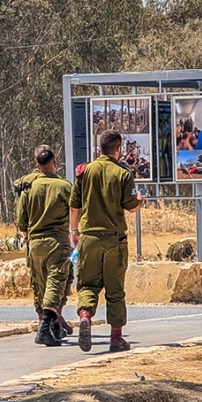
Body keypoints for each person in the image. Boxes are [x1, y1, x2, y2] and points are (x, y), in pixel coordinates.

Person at [70, 130, 144, 353]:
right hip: (114, 240)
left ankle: (85, 316)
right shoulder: (123, 173)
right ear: (119, 149)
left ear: (99, 148)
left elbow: (75, 205)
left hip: (89, 238)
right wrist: (141, 200)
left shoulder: (85, 171)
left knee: (88, 284)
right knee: (115, 289)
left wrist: (74, 230)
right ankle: (116, 337)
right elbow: (131, 206)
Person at [14, 145, 74, 337]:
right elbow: (75, 212)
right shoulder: (65, 187)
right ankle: (44, 328)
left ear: (37, 165)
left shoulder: (28, 188)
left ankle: (51, 325)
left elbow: (21, 220)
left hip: (35, 243)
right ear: (55, 164)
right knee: (57, 283)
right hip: (58, 242)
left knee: (40, 285)